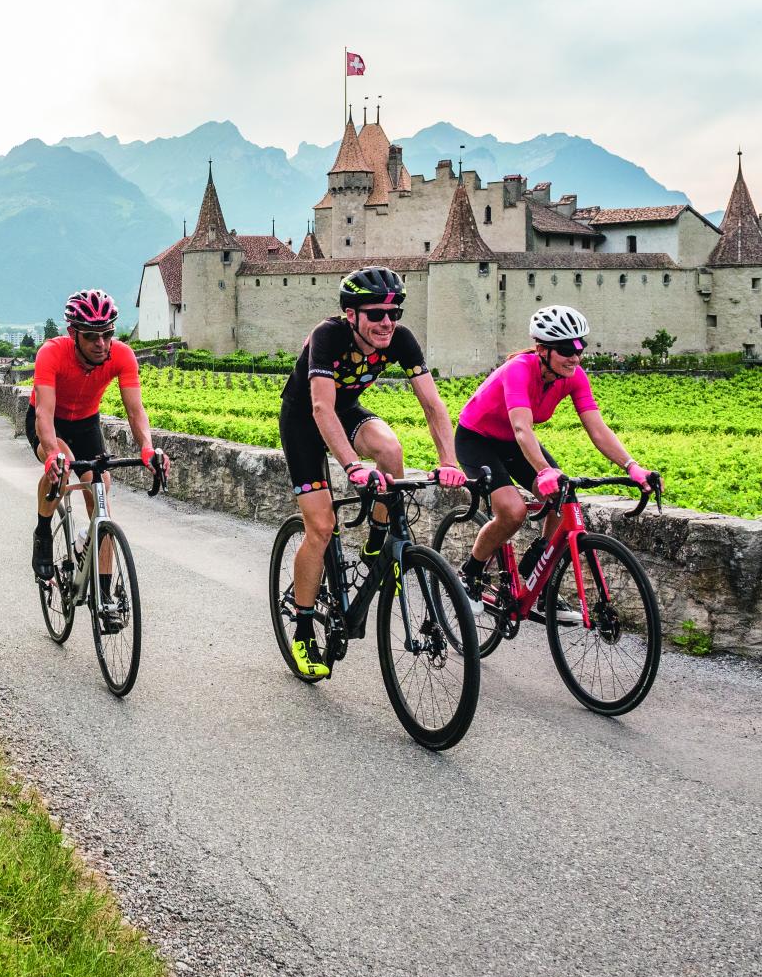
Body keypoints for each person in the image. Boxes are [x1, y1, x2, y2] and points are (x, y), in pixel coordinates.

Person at [278, 266, 469, 678]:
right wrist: (351, 466)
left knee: (391, 450)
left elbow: (433, 405)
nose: (387, 322)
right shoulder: (329, 336)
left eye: (394, 313)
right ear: (352, 315)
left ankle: (378, 542)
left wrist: (449, 461)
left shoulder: (399, 339)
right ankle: (305, 629)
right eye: (376, 313)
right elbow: (320, 409)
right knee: (322, 527)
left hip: (346, 412)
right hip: (304, 422)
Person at [452, 304, 657, 609]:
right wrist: (544, 470)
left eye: (579, 347)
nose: (575, 356)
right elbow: (522, 428)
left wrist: (632, 466)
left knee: (563, 497)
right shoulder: (518, 370)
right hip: (477, 440)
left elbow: (597, 429)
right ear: (542, 350)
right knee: (513, 512)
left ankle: (540, 572)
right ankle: (469, 572)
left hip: (513, 443)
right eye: (565, 349)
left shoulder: (573, 376)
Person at [28, 291, 169, 627]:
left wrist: (147, 448)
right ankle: (43, 532)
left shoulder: (122, 355)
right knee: (61, 468)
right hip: (50, 422)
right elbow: (44, 416)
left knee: (100, 491)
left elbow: (136, 412)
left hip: (87, 423)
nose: (102, 343)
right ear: (73, 333)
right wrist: (51, 456)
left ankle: (103, 596)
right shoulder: (52, 353)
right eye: (92, 336)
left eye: (108, 334)